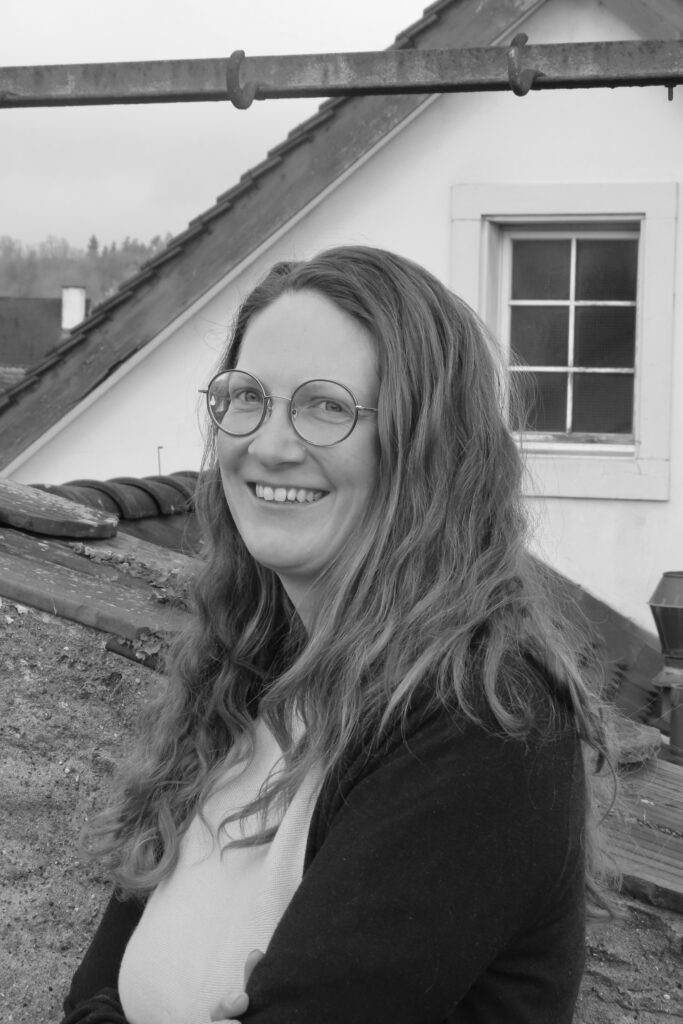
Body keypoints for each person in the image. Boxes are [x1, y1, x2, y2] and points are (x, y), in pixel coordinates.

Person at [60, 245, 613, 1024]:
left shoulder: (484, 726)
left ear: (426, 448)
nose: (269, 444)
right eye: (246, 397)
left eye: (326, 406)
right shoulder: (245, 678)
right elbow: (93, 995)